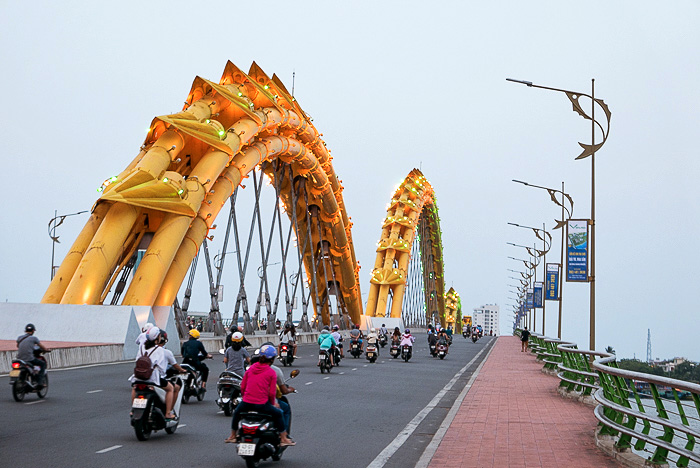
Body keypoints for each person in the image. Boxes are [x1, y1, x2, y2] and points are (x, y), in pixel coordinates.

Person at [226, 345, 295, 446]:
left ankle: (232, 435)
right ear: (272, 359)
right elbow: (271, 393)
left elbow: (243, 387)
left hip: (247, 403)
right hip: (261, 404)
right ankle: (284, 438)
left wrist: (245, 398)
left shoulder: (250, 369)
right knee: (279, 413)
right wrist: (273, 404)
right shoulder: (271, 372)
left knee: (237, 412)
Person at [130, 327, 178, 419]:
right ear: (157, 338)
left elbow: (137, 360)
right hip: (152, 378)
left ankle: (133, 410)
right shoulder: (159, 350)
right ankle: (168, 413)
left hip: (138, 376)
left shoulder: (141, 347)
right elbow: (161, 368)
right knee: (171, 388)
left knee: (135, 387)